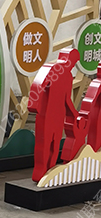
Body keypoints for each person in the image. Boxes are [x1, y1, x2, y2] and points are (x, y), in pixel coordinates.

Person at [28, 49, 83, 182]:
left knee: (55, 143)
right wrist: (34, 105)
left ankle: (50, 170)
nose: (72, 65)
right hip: (46, 115)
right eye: (73, 61)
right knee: (44, 143)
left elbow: (67, 99)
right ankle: (41, 170)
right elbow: (38, 85)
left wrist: (75, 115)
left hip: (58, 116)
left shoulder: (68, 76)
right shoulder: (53, 69)